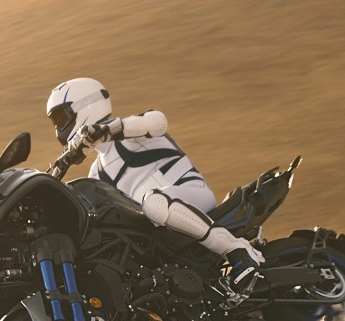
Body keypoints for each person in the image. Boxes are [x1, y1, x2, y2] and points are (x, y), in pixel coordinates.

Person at [46, 77, 265, 295]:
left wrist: (106, 129)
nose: (59, 129)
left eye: (61, 118)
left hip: (190, 195)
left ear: (86, 104)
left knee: (153, 203)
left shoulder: (132, 131)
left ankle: (237, 250)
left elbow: (158, 121)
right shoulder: (97, 173)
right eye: (55, 122)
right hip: (159, 229)